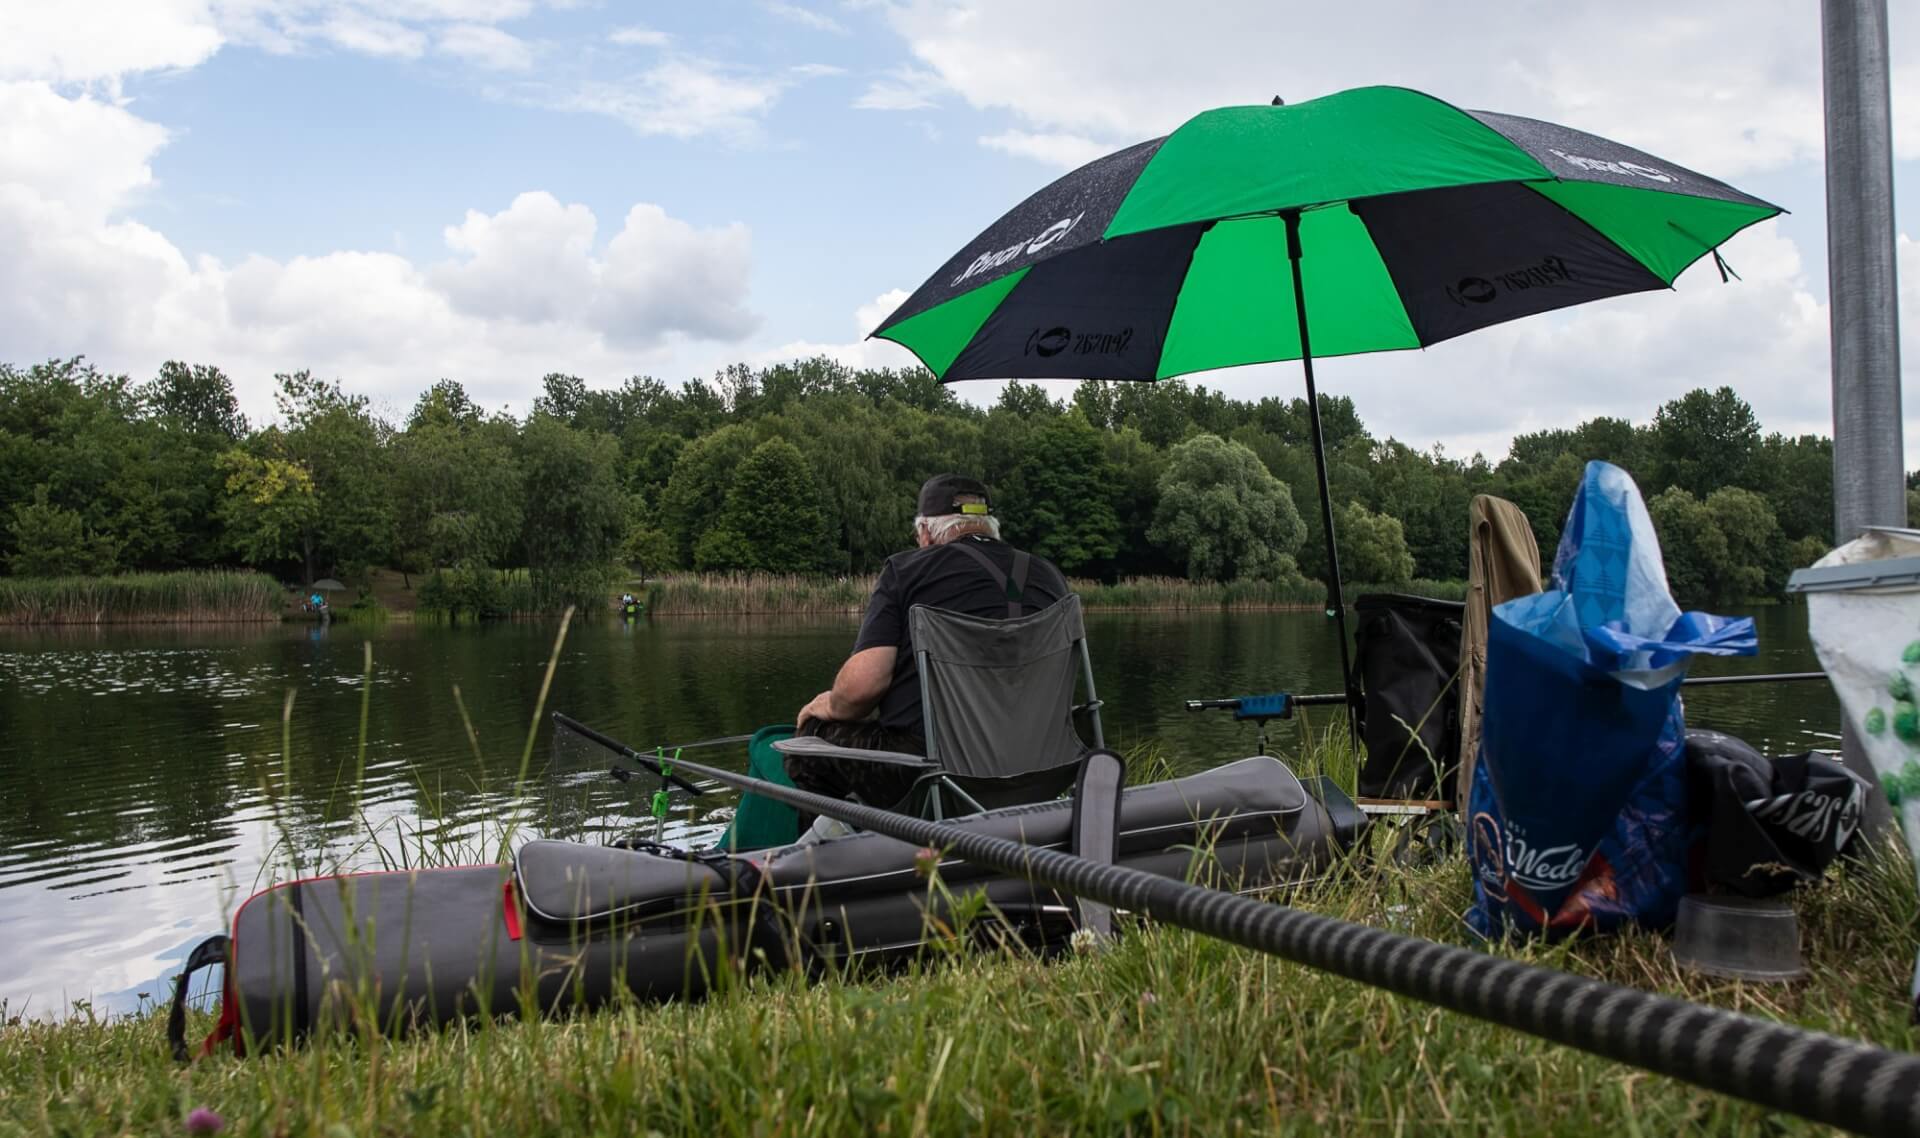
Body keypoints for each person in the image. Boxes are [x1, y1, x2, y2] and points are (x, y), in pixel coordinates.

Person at [788, 473, 1070, 817]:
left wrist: (828, 705)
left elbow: (861, 690)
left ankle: (825, 862)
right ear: (989, 525)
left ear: (924, 531)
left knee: (812, 742)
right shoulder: (1050, 576)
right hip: (1045, 766)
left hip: (935, 772)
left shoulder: (906, 571)